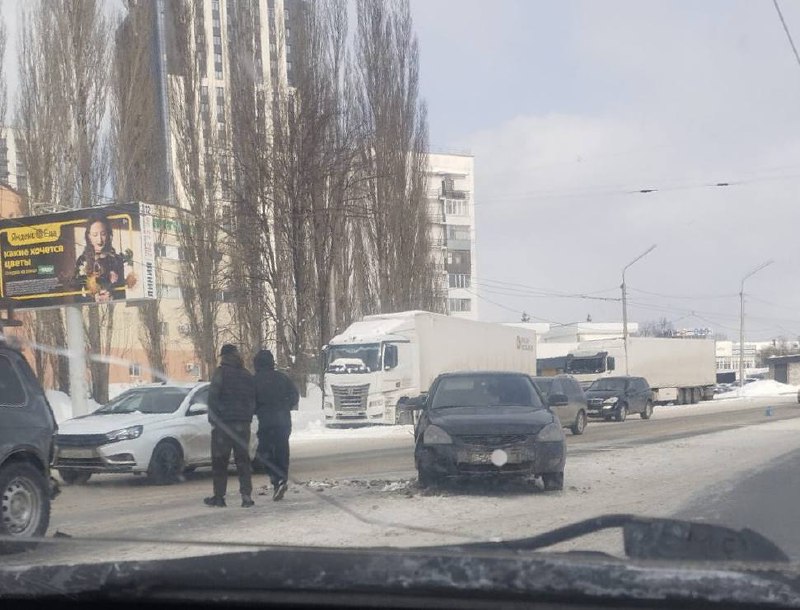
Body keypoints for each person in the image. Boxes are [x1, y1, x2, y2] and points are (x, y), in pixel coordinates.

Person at [205, 344, 256, 508]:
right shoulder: (246, 374)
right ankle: (246, 496)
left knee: (220, 461)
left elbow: (213, 398)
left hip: (223, 426)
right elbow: (253, 398)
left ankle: (219, 497)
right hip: (242, 425)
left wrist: (214, 420)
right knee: (243, 461)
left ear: (223, 356)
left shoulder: (220, 373)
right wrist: (246, 417)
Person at [253, 349, 299, 501]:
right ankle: (281, 479)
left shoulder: (255, 381)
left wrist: (258, 409)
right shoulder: (282, 378)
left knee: (263, 453)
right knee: (282, 451)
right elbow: (294, 396)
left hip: (266, 423)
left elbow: (250, 402)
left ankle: (276, 479)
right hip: (283, 421)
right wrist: (285, 406)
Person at [74, 213, 126, 303]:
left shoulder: (117, 260)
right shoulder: (82, 261)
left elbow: (122, 294)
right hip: (92, 309)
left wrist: (112, 297)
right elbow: (76, 297)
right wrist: (93, 299)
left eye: (103, 234)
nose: (100, 240)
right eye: (95, 235)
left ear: (108, 235)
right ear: (89, 237)